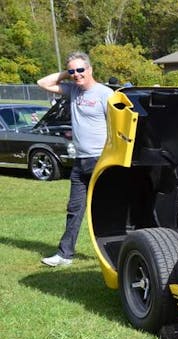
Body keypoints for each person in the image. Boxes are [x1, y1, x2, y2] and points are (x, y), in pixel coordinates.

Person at [37, 51, 114, 267]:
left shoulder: (105, 94)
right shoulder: (72, 90)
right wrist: (67, 73)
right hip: (80, 162)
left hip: (101, 160)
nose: (77, 74)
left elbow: (117, 127)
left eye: (81, 70)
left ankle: (115, 253)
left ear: (90, 70)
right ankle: (65, 254)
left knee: (107, 210)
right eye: (73, 71)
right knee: (74, 209)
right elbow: (42, 82)